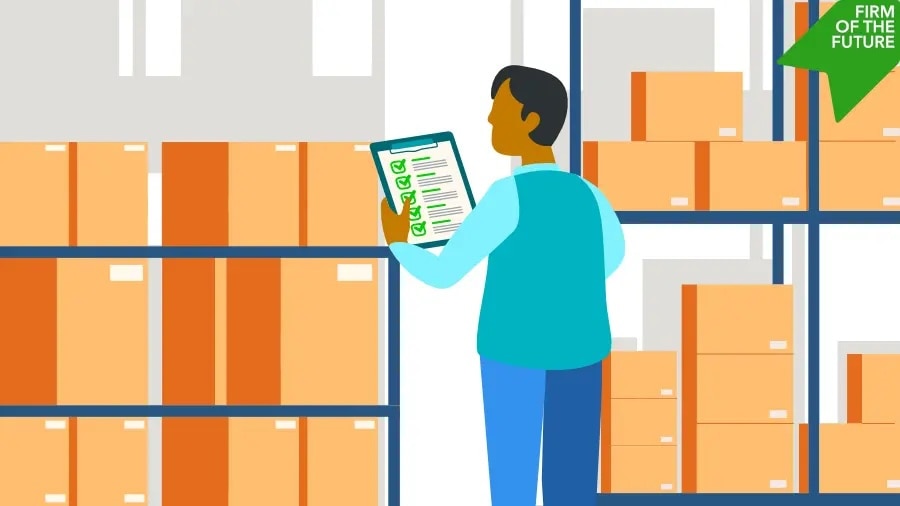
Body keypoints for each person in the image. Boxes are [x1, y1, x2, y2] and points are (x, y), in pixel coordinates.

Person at [381, 64, 625, 506]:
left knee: (513, 481)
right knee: (572, 483)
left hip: (515, 355)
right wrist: (562, 286)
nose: (491, 120)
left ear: (530, 120)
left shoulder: (506, 195)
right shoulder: (591, 194)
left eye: (500, 109)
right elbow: (612, 258)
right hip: (584, 352)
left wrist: (399, 242)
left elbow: (444, 273)